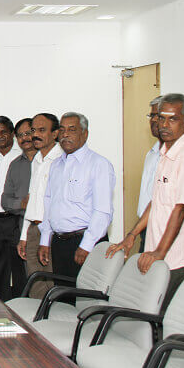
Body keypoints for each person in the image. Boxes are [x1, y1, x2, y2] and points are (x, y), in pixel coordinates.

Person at [107, 93, 184, 313]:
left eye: (172, 119)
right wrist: (132, 235)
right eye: (161, 118)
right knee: (148, 313)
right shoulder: (164, 153)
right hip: (156, 253)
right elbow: (156, 201)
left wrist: (159, 252)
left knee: (164, 318)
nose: (164, 124)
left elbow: (181, 208)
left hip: (176, 258)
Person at [37, 113, 115, 284]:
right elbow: (49, 204)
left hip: (85, 242)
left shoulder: (98, 164)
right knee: (62, 296)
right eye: (62, 130)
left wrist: (86, 245)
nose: (65, 134)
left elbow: (103, 211)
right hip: (59, 243)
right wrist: (45, 240)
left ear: (84, 134)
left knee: (86, 296)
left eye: (72, 130)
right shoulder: (56, 165)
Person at [18, 113, 62, 298]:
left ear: (55, 134)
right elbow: (31, 201)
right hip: (33, 229)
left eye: (42, 130)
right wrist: (24, 236)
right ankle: (37, 317)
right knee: (35, 285)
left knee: (52, 285)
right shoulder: (37, 160)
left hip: (52, 232)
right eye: (33, 130)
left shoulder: (63, 159)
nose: (35, 135)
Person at [0, 116, 23, 301]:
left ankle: (20, 304)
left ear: (12, 134)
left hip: (15, 219)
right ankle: (0, 303)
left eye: (3, 132)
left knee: (18, 265)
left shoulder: (21, 155)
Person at [1, 118, 38, 299]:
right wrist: (21, 204)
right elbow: (5, 200)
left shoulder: (50, 161)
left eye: (28, 133)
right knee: (25, 276)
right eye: (20, 135)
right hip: (23, 228)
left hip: (48, 229)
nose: (25, 138)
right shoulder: (15, 165)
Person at [135, 96, 163, 252]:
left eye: (158, 115)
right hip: (146, 229)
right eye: (151, 115)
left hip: (163, 231)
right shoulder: (152, 153)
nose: (154, 120)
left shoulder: (181, 155)